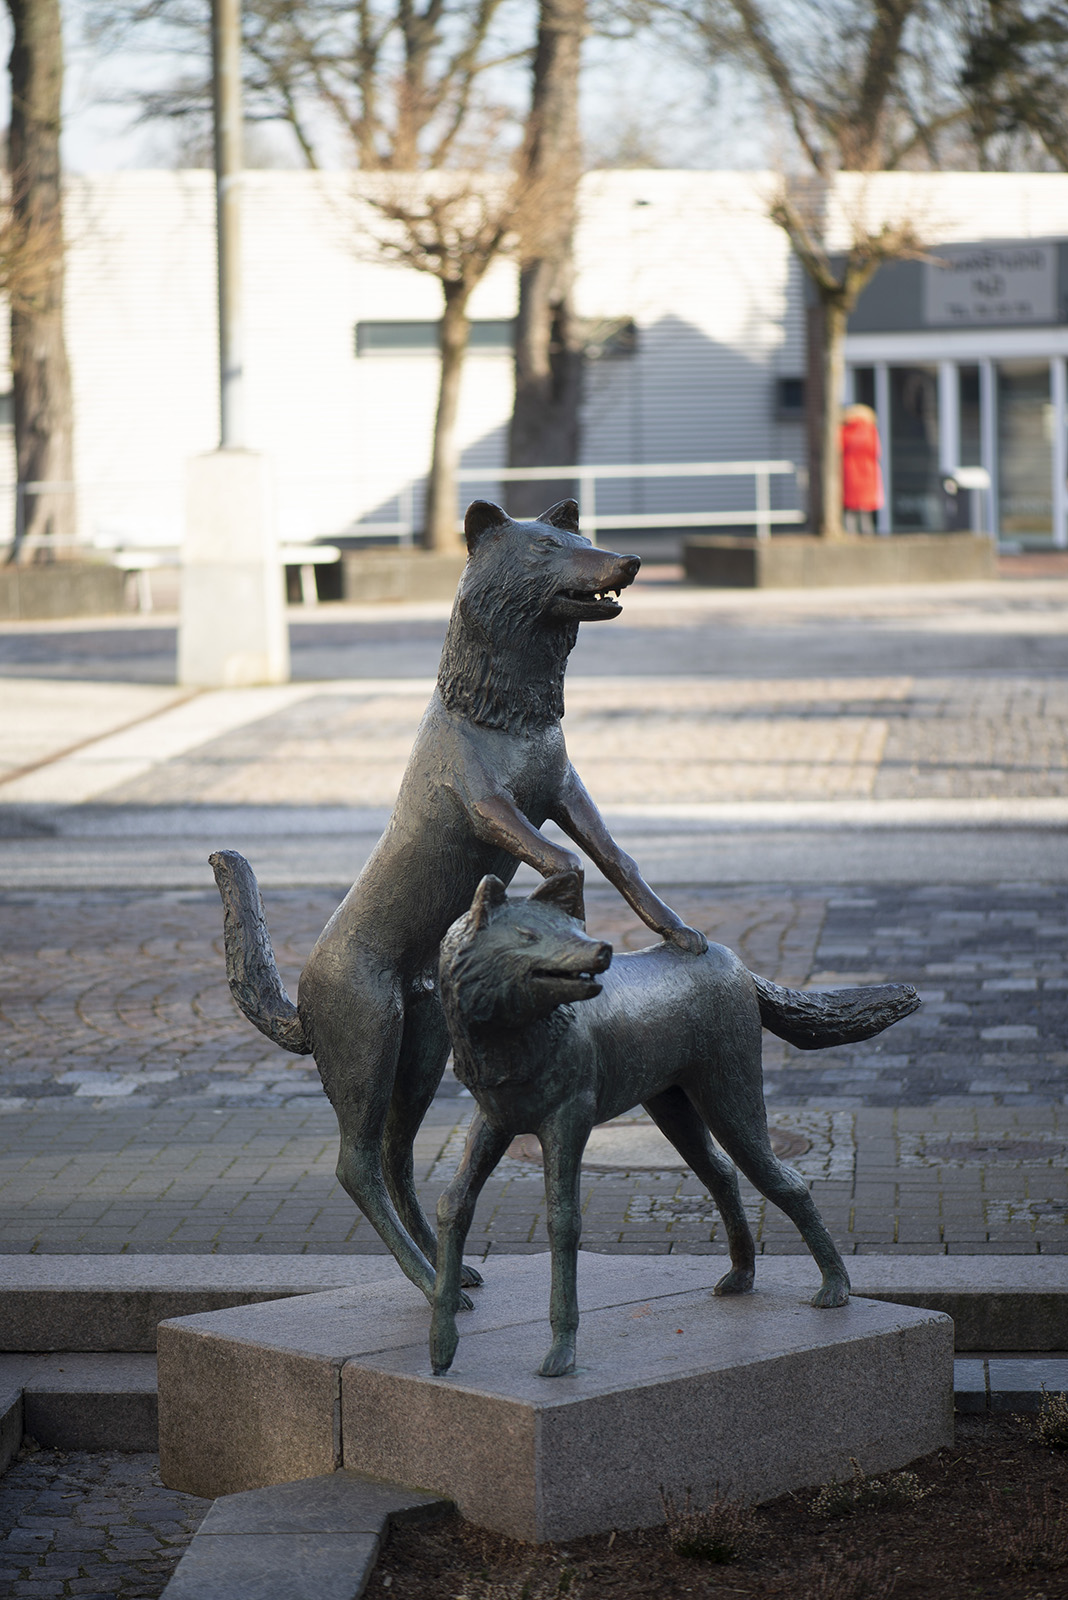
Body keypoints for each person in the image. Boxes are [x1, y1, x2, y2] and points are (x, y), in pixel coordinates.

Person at [841, 403, 883, 536]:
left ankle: (850, 535)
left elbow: (839, 447)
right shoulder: (871, 431)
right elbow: (877, 451)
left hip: (849, 473)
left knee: (850, 511)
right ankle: (868, 536)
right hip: (868, 475)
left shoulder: (845, 431)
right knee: (865, 512)